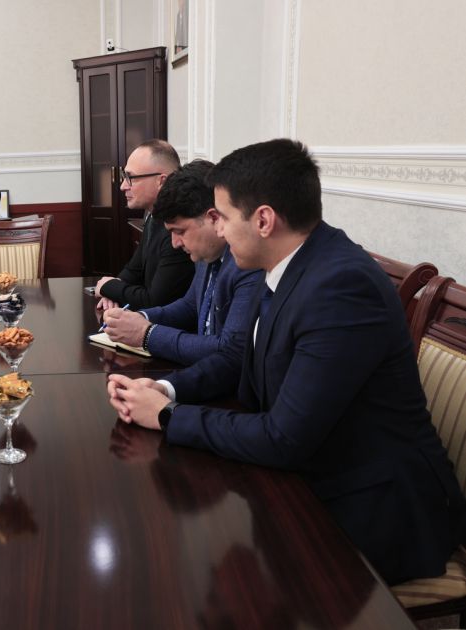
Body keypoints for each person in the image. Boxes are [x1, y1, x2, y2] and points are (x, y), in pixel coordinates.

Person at [106, 138, 466, 585]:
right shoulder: (286, 264)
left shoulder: (341, 287)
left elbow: (284, 438)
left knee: (196, 569)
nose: (219, 231)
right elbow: (236, 359)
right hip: (314, 473)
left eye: (224, 218)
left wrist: (167, 416)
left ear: (263, 220)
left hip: (379, 507)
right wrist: (166, 389)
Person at [102, 160, 262, 365]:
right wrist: (138, 318)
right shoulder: (206, 252)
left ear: (213, 218)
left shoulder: (247, 263)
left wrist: (147, 334)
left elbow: (230, 350)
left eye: (180, 231)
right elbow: (190, 306)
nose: (175, 243)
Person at [95, 140, 194, 311]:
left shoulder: (179, 231)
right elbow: (133, 270)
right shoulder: (153, 217)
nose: (123, 186)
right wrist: (111, 291)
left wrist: (107, 287)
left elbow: (154, 300)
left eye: (130, 178)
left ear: (161, 181)